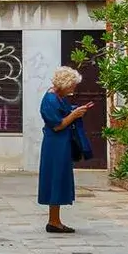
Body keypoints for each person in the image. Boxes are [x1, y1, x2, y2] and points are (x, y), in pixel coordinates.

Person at [39, 66, 93, 233]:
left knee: (59, 178)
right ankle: (53, 221)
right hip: (55, 144)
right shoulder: (50, 100)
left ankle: (55, 219)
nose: (73, 89)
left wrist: (75, 111)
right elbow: (57, 125)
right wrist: (75, 114)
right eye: (72, 85)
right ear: (65, 84)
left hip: (61, 143)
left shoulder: (58, 97)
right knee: (56, 178)